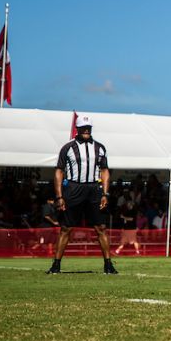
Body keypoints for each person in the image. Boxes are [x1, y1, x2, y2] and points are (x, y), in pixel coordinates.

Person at [46, 115, 118, 274]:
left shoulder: (100, 148)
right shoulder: (68, 148)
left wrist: (105, 193)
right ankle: (56, 265)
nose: (86, 130)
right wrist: (59, 196)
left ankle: (108, 265)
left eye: (89, 128)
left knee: (101, 227)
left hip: (94, 189)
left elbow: (105, 171)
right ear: (77, 129)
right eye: (83, 127)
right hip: (73, 188)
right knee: (66, 228)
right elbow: (59, 171)